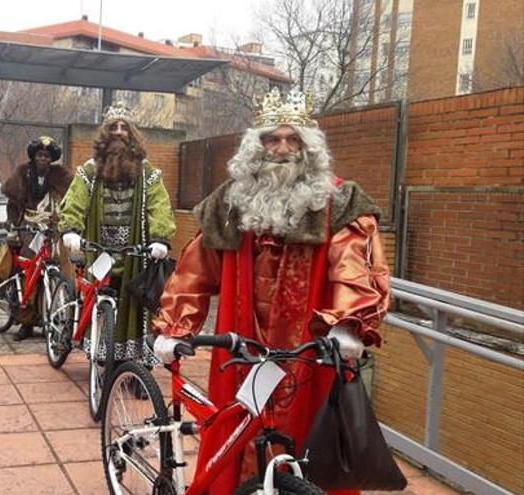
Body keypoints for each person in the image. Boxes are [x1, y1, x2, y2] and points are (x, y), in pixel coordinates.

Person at [152, 88, 391, 494]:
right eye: (271, 139)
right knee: (234, 440)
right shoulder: (230, 203)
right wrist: (175, 328)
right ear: (256, 147)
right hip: (239, 350)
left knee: (309, 450)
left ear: (307, 147)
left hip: (309, 354)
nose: (282, 149)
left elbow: (354, 269)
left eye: (292, 139)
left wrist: (348, 325)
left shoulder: (337, 202)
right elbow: (193, 272)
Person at [59, 101, 176, 364]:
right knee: (98, 302)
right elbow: (75, 201)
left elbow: (160, 206)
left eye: (125, 128)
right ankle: (102, 352)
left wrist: (160, 238)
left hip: (137, 253)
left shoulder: (148, 173)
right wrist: (71, 230)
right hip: (99, 251)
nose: (120, 132)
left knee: (139, 308)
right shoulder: (89, 170)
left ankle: (138, 364)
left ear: (132, 134)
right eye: (114, 128)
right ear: (105, 134)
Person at [0, 136, 72, 341]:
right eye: (40, 155)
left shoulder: (60, 176)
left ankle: (47, 316)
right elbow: (12, 203)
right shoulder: (23, 174)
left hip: (51, 230)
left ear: (51, 159)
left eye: (47, 156)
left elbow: (69, 200)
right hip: (28, 228)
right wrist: (14, 224)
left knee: (53, 269)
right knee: (28, 270)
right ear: (34, 156)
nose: (43, 159)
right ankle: (25, 323)